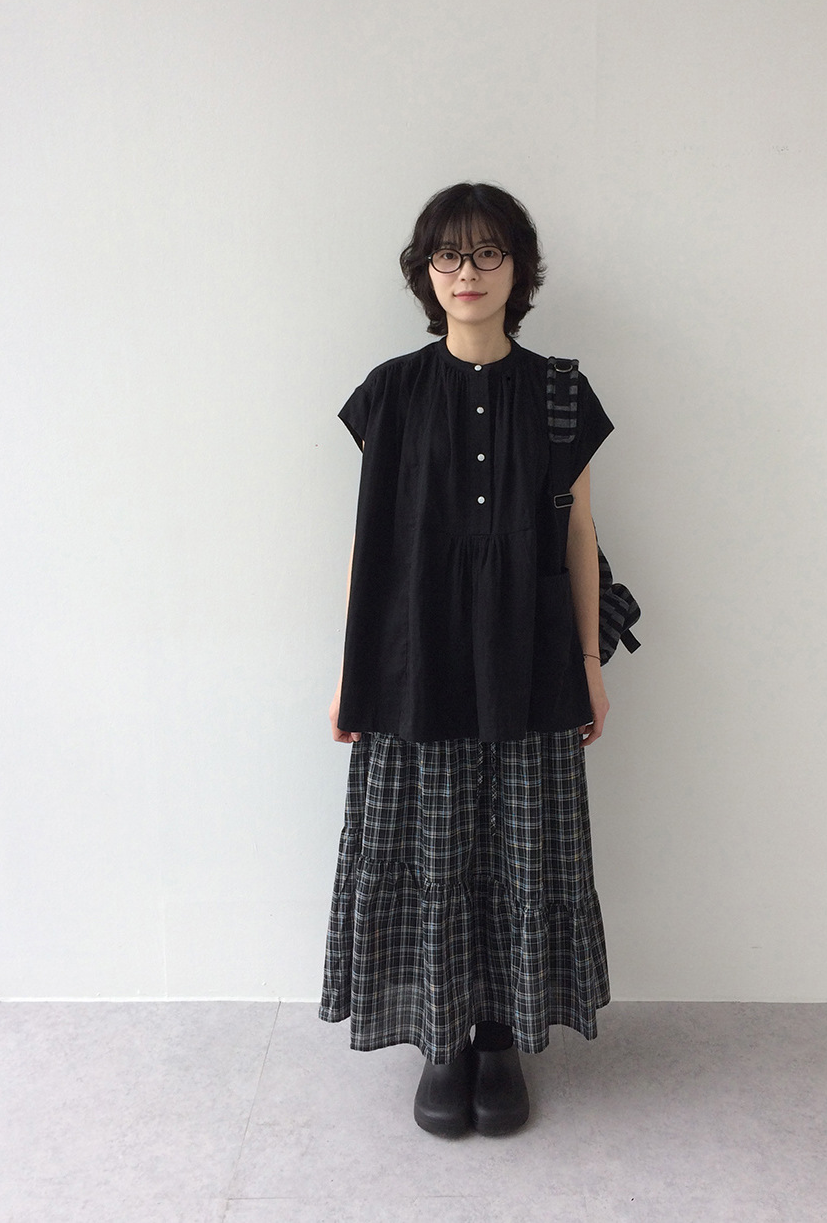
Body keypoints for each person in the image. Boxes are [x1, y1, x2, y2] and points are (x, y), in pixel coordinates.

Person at [320, 182, 612, 1137]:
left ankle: (498, 1038)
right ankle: (442, 1041)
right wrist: (349, 673)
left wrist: (590, 662)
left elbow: (579, 534)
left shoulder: (560, 392)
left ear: (519, 269)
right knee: (433, 848)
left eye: (489, 253)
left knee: (519, 852)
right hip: (418, 663)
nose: (468, 272)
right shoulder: (390, 393)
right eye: (449, 254)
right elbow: (370, 542)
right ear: (425, 272)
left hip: (530, 659)